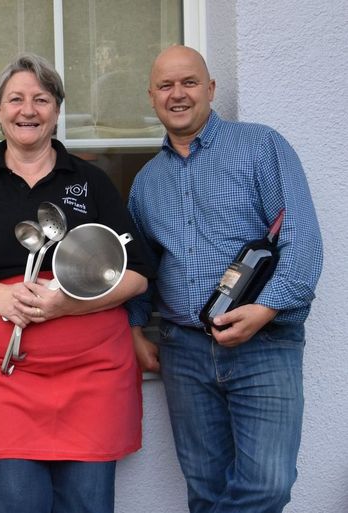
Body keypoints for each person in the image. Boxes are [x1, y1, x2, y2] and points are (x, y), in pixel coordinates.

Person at [0, 53, 152, 513]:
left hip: (91, 376)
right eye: (16, 99)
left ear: (57, 110)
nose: (28, 110)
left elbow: (138, 274)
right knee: (17, 502)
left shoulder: (91, 182)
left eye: (41, 99)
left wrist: (65, 305)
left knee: (88, 504)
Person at [126, 45, 323, 513]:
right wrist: (134, 329)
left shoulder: (261, 146)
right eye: (166, 86)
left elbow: (301, 238)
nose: (178, 95)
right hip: (184, 351)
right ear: (151, 97)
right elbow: (142, 269)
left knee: (269, 484)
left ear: (211, 89)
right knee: (206, 489)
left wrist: (266, 308)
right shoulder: (146, 183)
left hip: (265, 344)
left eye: (190, 82)